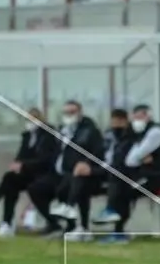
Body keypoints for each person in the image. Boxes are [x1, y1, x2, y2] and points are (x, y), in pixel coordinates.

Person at [92, 104, 160, 241]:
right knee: (120, 182)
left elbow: (132, 159)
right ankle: (116, 226)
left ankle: (117, 228)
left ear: (148, 116)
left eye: (141, 116)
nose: (137, 120)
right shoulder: (136, 133)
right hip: (145, 173)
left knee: (125, 190)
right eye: (135, 116)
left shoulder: (156, 131)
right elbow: (128, 157)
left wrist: (140, 157)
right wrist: (141, 158)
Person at [0, 107, 57, 237]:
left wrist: (23, 165)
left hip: (43, 174)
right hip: (29, 173)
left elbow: (45, 159)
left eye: (33, 119)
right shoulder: (27, 136)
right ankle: (5, 222)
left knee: (11, 181)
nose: (30, 123)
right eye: (28, 119)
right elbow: (21, 155)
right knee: (10, 180)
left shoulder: (47, 136)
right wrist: (16, 164)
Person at [26, 100, 105, 240]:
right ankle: (56, 223)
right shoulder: (62, 130)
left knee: (73, 186)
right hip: (59, 173)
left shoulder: (90, 131)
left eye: (72, 112)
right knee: (36, 188)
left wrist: (86, 163)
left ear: (80, 113)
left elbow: (98, 152)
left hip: (81, 174)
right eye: (66, 112)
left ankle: (81, 227)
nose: (68, 115)